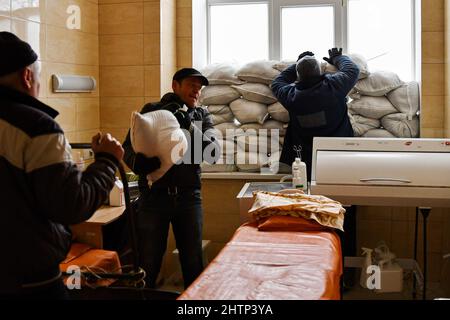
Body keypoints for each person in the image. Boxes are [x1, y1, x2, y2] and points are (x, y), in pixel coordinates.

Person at [0, 31, 124, 299]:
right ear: (27, 76)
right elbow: (71, 205)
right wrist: (107, 159)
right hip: (29, 283)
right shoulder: (36, 127)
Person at [122, 68, 220, 289]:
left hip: (188, 199)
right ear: (175, 85)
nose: (196, 91)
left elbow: (213, 153)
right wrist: (136, 162)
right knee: (149, 260)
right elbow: (127, 146)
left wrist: (188, 127)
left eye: (199, 88)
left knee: (193, 261)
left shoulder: (202, 116)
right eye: (191, 85)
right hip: (153, 199)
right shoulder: (151, 110)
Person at [271, 48, 359, 287]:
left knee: (311, 216)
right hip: (340, 164)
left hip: (307, 169)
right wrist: (336, 58)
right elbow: (353, 69)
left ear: (298, 78)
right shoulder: (334, 87)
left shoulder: (291, 96)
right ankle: (346, 276)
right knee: (343, 215)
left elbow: (277, 81)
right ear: (323, 74)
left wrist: (299, 61)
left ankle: (313, 274)